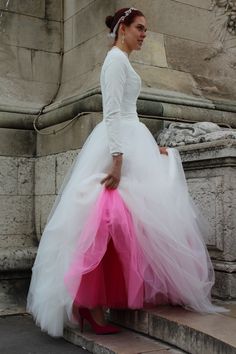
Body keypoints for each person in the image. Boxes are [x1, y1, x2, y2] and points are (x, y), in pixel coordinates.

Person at [27, 7, 228, 338]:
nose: (144, 34)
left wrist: (151, 150)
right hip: (117, 145)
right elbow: (112, 114)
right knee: (105, 221)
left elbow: (126, 112)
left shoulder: (122, 61)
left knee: (127, 223)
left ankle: (104, 299)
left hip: (133, 142)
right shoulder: (115, 61)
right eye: (140, 28)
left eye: (146, 29)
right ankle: (88, 303)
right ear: (123, 29)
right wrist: (117, 160)